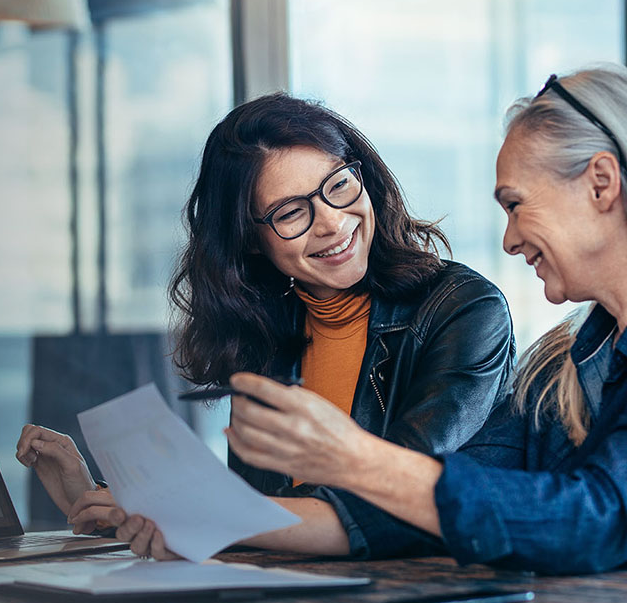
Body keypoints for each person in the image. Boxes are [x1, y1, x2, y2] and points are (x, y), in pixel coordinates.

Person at [17, 93, 514, 559]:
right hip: (299, 602)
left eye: (339, 185)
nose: (333, 222)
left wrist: (197, 517)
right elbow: (257, 513)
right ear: (251, 242)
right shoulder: (264, 332)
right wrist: (108, 502)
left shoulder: (463, 308)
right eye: (291, 212)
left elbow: (400, 497)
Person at [223, 64, 627, 575]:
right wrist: (193, 516)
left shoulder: (467, 311)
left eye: (516, 204)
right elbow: (427, 512)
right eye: (289, 213)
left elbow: (595, 520)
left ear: (601, 184)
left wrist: (357, 459)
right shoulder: (557, 370)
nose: (508, 240)